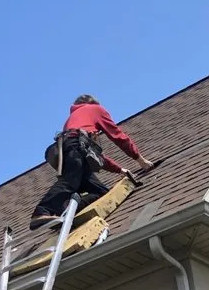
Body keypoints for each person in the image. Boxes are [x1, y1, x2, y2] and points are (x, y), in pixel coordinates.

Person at [30, 94, 155, 231]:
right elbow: (118, 136)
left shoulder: (72, 120)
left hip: (71, 152)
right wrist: (140, 160)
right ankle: (41, 212)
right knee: (70, 180)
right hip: (75, 149)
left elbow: (94, 154)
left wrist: (120, 170)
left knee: (102, 193)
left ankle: (64, 210)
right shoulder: (95, 109)